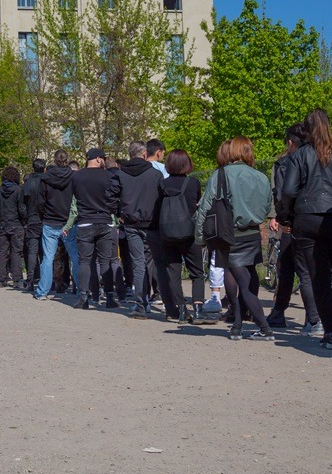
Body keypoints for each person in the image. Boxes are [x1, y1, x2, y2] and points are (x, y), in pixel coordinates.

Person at [282, 109, 332, 349]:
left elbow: (288, 190)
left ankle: (329, 333)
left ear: (306, 130)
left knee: (319, 277)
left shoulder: (300, 155)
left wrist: (287, 214)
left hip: (307, 218)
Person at [195, 135, 274, 340]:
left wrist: (199, 237)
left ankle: (264, 328)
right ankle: (237, 325)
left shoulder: (221, 174)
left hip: (230, 234)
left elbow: (204, 207)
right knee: (247, 277)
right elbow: (267, 207)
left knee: (241, 282)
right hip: (253, 234)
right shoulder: (261, 177)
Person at [268, 124, 322, 335]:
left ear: (290, 143)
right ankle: (280, 311)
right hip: (320, 218)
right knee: (293, 265)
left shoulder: (286, 163)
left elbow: (284, 193)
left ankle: (313, 318)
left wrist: (283, 218)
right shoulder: (323, 157)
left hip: (296, 221)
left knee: (299, 269)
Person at [153, 149, 207, 324]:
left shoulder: (162, 184)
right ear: (187, 164)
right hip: (189, 233)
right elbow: (197, 206)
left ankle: (181, 309)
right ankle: (198, 309)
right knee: (197, 273)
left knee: (173, 272)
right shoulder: (193, 183)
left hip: (167, 234)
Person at [116, 141, 162, 319]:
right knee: (150, 262)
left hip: (131, 222)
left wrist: (119, 213)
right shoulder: (155, 174)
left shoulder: (121, 175)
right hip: (151, 224)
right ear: (144, 154)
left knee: (138, 263)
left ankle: (141, 304)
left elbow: (111, 196)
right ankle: (146, 301)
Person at [71, 147, 121, 309]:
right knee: (105, 261)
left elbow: (74, 197)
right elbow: (114, 198)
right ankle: (110, 298)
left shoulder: (77, 176)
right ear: (99, 159)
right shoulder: (109, 176)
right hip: (105, 221)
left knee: (85, 261)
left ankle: (83, 298)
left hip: (85, 220)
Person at [34, 150, 76, 301]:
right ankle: (81, 290)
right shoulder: (73, 177)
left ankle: (43, 291)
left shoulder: (45, 179)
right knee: (75, 257)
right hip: (68, 221)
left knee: (48, 258)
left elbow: (40, 202)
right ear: (67, 160)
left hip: (50, 220)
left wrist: (44, 215)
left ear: (54, 160)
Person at [0, 166, 27, 287]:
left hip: (3, 224)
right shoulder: (18, 190)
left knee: (2, 252)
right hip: (16, 223)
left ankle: (1, 279)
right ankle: (17, 279)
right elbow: (21, 208)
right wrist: (24, 220)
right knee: (16, 252)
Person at [21, 158, 46, 291]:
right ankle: (46, 279)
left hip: (32, 219)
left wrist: (26, 217)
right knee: (45, 252)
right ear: (44, 168)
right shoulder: (47, 181)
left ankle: (30, 280)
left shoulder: (27, 183)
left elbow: (22, 205)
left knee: (32, 251)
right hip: (45, 219)